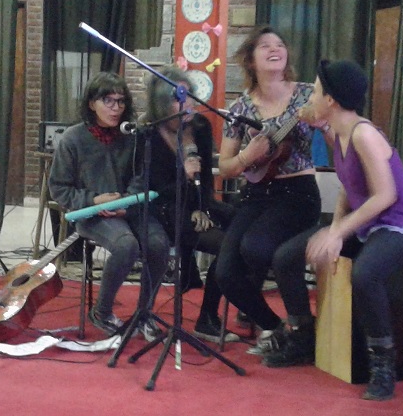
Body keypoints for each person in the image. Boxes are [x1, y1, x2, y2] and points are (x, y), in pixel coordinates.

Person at [268, 59, 403, 402]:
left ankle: (383, 365)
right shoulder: (337, 132)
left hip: (397, 227)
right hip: (365, 224)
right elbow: (348, 188)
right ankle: (302, 336)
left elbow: (386, 195)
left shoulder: (364, 134)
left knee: (365, 275)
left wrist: (337, 234)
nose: (310, 97)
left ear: (331, 100)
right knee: (286, 257)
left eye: (316, 91)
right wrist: (336, 227)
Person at [213, 25, 322, 355]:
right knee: (225, 273)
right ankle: (275, 328)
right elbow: (226, 166)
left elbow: (338, 131)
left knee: (257, 247)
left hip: (297, 193)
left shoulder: (307, 95)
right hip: (255, 196)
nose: (275, 49)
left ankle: (302, 326)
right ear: (250, 60)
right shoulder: (240, 109)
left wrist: (323, 122)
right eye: (265, 46)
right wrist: (248, 156)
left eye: (279, 44)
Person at [48, 72, 169, 342]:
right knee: (126, 245)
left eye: (121, 102)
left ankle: (144, 313)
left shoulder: (132, 137)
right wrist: (93, 201)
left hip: (131, 209)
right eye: (109, 101)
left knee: (159, 244)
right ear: (92, 104)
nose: (116, 108)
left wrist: (128, 204)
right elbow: (59, 188)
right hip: (92, 213)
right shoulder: (72, 139)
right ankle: (101, 312)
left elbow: (141, 177)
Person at [141, 67, 236, 343]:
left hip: (197, 202)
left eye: (190, 95)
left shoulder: (201, 127)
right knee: (227, 246)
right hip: (165, 209)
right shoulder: (148, 133)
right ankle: (207, 317)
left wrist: (203, 208)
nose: (188, 103)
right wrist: (183, 174)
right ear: (161, 103)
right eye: (178, 98)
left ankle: (244, 303)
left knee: (244, 226)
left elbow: (205, 178)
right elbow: (155, 188)